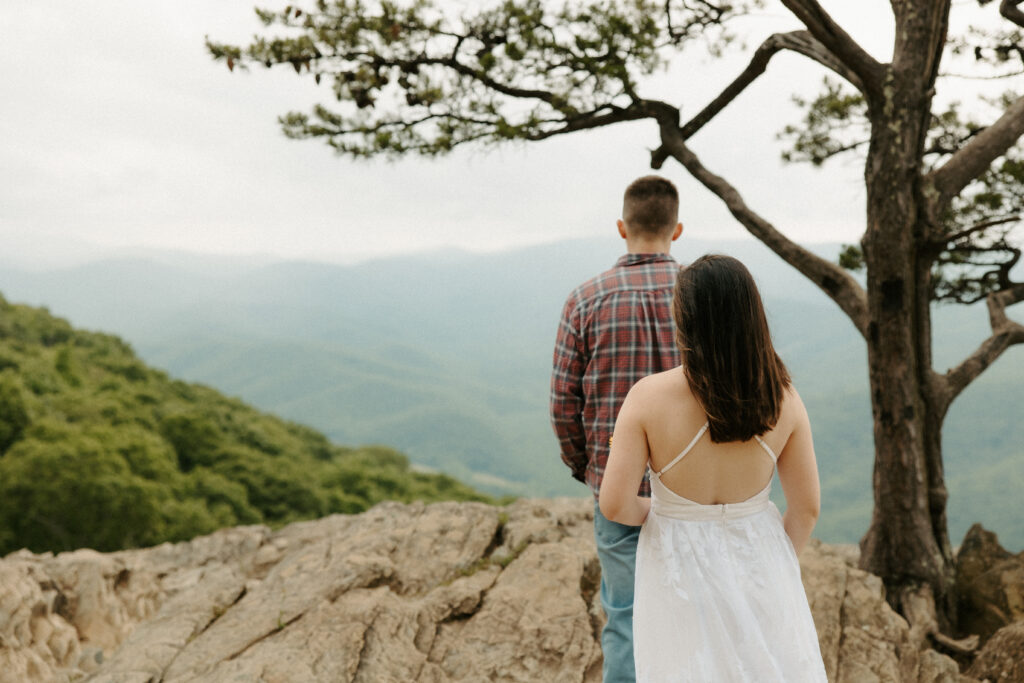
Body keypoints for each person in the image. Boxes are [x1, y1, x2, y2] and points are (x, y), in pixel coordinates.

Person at [598, 254, 827, 682]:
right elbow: (807, 508)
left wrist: (655, 514)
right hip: (757, 550)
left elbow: (614, 504)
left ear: (685, 319)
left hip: (675, 554)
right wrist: (774, 561)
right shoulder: (785, 399)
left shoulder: (647, 397)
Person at [551, 175, 684, 683]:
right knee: (695, 615)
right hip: (697, 490)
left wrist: (590, 468)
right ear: (677, 230)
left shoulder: (585, 300)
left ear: (620, 226)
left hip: (617, 487)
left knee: (626, 618)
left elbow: (565, 404)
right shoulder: (707, 295)